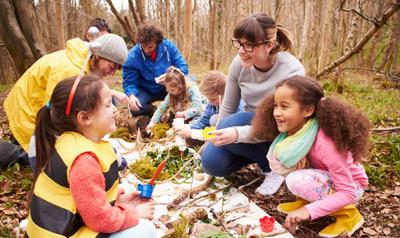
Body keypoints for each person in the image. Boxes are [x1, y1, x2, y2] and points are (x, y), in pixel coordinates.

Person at [26, 75, 156, 238]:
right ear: (84, 118)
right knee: (145, 230)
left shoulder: (73, 141)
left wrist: (118, 201)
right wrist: (134, 213)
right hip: (63, 233)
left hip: (64, 225)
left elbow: (85, 197)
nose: (115, 109)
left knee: (128, 195)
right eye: (108, 105)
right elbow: (101, 220)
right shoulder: (84, 160)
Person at [251, 76, 371, 237]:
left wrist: (308, 211)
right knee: (294, 172)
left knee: (297, 179)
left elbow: (348, 191)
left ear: (308, 111)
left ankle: (349, 216)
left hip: (352, 186)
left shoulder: (326, 144)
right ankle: (308, 199)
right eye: (275, 106)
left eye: (284, 107)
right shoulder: (298, 131)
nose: (276, 113)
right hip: (328, 178)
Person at [200, 13, 305, 195]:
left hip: (280, 131)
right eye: (238, 43)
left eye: (248, 45)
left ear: (268, 46)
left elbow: (287, 123)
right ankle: (254, 154)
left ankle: (273, 168)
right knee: (212, 163)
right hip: (250, 125)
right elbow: (228, 107)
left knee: (230, 127)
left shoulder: (291, 72)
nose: (241, 51)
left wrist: (236, 133)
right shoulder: (239, 64)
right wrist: (218, 135)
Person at [4, 33, 129, 152]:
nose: (112, 73)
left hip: (38, 107)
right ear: (97, 56)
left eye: (117, 69)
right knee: (46, 157)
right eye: (111, 67)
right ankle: (12, 149)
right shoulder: (69, 70)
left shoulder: (85, 61)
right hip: (26, 111)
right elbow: (57, 112)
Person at [122, 23, 189, 116]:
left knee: (189, 86)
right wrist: (131, 95)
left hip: (168, 87)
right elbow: (129, 82)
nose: (146, 50)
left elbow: (183, 68)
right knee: (136, 108)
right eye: (143, 46)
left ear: (158, 42)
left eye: (150, 47)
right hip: (146, 90)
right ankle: (153, 111)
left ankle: (176, 113)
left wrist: (171, 76)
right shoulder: (132, 56)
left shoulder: (168, 47)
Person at [174, 71, 243, 140]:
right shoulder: (212, 104)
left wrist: (193, 133)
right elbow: (204, 120)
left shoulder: (236, 106)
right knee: (212, 119)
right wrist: (187, 128)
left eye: (213, 99)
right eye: (208, 99)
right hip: (216, 130)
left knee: (214, 119)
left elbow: (222, 131)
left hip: (232, 134)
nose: (210, 102)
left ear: (226, 93)